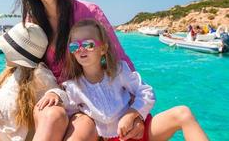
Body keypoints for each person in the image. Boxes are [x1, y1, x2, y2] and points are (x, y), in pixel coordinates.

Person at [0, 0, 143, 140]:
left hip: (88, 100)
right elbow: (19, 64)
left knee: (84, 128)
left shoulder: (89, 12)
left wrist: (135, 112)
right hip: (52, 96)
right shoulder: (32, 22)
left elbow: (118, 60)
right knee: (52, 115)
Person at [62, 19, 208, 141]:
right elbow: (68, 110)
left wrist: (132, 114)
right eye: (75, 46)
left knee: (183, 113)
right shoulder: (74, 87)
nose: (81, 49)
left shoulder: (118, 70)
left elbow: (146, 92)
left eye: (88, 44)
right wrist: (54, 94)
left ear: (103, 49)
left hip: (142, 129)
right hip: (116, 138)